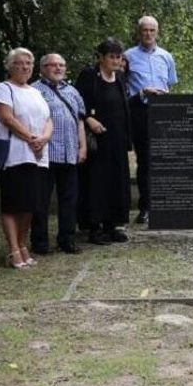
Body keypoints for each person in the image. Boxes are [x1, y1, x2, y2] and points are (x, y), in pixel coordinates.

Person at [0, 48, 52, 269]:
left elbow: (48, 118)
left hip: (37, 155)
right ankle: (13, 249)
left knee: (30, 204)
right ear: (10, 65)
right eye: (19, 63)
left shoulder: (35, 91)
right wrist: (30, 138)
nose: (25, 67)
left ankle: (22, 243)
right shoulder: (4, 88)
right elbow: (6, 117)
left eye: (28, 63)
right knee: (13, 203)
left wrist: (43, 138)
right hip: (15, 155)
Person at [79, 39, 134, 245]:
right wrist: (88, 118)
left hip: (117, 139)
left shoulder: (120, 77)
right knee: (96, 182)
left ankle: (113, 225)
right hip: (97, 140)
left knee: (117, 181)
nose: (115, 60)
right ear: (101, 58)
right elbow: (77, 103)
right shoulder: (88, 77)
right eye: (111, 56)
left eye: (118, 56)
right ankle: (95, 227)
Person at [31, 53, 87, 255]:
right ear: (42, 68)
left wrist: (83, 147)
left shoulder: (72, 91)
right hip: (45, 155)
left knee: (69, 199)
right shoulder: (34, 90)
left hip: (69, 153)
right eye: (53, 65)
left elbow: (80, 120)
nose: (58, 68)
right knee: (41, 201)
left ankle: (67, 239)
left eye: (62, 65)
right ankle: (40, 242)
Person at [125, 15, 178, 225]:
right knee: (145, 161)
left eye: (152, 30)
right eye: (144, 30)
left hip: (163, 113)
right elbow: (123, 87)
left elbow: (170, 84)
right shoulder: (128, 56)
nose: (148, 34)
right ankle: (145, 207)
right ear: (139, 32)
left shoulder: (166, 56)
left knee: (165, 159)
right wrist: (142, 93)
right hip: (141, 111)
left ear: (157, 32)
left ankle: (165, 204)